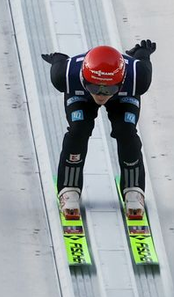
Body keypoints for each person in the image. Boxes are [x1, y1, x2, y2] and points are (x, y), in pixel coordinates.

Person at [40, 40, 157, 221]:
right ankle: (68, 188)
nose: (101, 95)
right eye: (95, 87)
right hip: (82, 95)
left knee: (127, 133)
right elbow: (60, 62)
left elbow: (142, 61)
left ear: (122, 80)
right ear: (84, 78)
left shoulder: (138, 78)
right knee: (78, 131)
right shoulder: (64, 75)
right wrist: (58, 58)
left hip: (122, 96)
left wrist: (141, 52)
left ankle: (134, 188)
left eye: (108, 88)